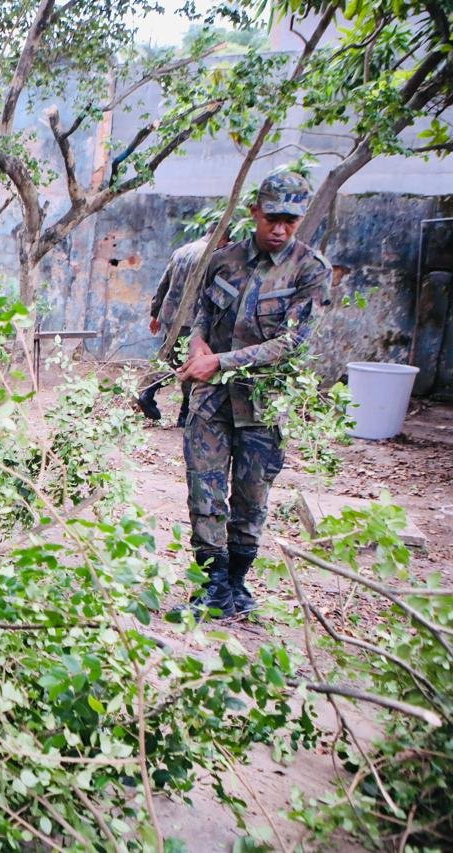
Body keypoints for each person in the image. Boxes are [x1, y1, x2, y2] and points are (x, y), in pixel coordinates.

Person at [174, 170, 330, 618]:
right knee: (204, 493)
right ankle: (212, 586)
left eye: (290, 221)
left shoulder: (310, 270)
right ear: (254, 212)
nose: (280, 229)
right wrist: (197, 343)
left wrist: (219, 362)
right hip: (211, 402)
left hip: (262, 407)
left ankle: (237, 585)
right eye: (272, 218)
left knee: (251, 499)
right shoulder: (224, 260)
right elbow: (202, 314)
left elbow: (292, 343)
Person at [138, 227, 230, 427]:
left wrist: (155, 313)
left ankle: (148, 393)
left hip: (172, 315)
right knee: (188, 363)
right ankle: (183, 415)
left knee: (171, 359)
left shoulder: (182, 251)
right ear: (223, 239)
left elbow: (164, 283)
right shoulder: (214, 255)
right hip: (194, 319)